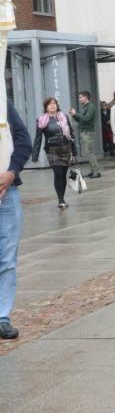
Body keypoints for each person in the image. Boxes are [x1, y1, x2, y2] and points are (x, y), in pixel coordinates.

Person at [0, 100, 32, 339]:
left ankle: (2, 317)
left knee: (7, 257)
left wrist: (12, 172)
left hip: (6, 191)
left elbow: (23, 140)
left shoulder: (3, 104)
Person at [32, 97, 77, 209]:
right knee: (58, 173)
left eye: (54, 103)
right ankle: (60, 200)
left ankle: (63, 197)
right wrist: (35, 155)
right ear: (46, 107)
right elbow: (38, 138)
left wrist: (74, 151)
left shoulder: (64, 117)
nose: (52, 105)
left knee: (63, 174)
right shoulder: (42, 120)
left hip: (66, 148)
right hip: (52, 150)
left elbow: (71, 135)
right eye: (50, 104)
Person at [68, 91, 101, 178]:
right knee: (88, 152)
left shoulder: (91, 107)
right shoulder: (85, 107)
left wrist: (76, 114)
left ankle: (96, 172)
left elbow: (87, 118)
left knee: (90, 152)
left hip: (88, 132)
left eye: (80, 97)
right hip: (85, 132)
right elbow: (81, 120)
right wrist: (74, 115)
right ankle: (93, 171)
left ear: (86, 97)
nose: (79, 99)